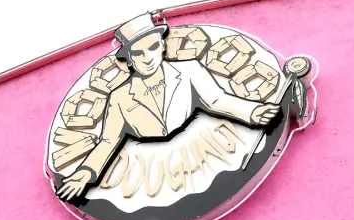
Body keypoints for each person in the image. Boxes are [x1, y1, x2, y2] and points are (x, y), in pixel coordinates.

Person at [56, 13, 281, 201]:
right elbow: (108, 141)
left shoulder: (189, 70)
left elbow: (216, 99)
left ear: (162, 45)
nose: (147, 57)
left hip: (205, 147)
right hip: (150, 171)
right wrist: (85, 172)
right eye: (138, 52)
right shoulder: (119, 97)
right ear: (129, 59)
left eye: (152, 47)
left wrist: (252, 111)